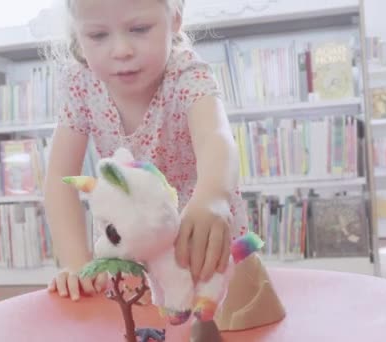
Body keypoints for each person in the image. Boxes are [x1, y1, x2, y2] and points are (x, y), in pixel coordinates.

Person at [45, 0, 248, 301]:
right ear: (77, 34)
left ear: (175, 19)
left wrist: (212, 197)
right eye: (98, 35)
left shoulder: (187, 73)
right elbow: (60, 176)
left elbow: (215, 137)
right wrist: (77, 264)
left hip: (199, 238)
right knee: (136, 321)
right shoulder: (80, 83)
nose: (121, 50)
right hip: (132, 242)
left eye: (139, 29)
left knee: (213, 320)